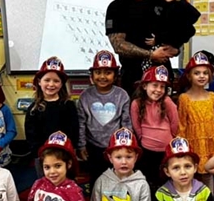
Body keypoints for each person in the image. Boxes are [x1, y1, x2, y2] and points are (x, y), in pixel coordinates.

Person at [106, 0, 178, 94]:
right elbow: (118, 45)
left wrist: (174, 48)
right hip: (132, 82)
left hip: (162, 80)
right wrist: (151, 55)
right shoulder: (116, 7)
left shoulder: (163, 4)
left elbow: (176, 38)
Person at [177, 51, 214, 191]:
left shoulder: (213, 97)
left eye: (205, 73)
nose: (201, 76)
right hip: (192, 144)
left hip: (210, 145)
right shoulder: (184, 98)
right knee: (191, 177)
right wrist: (181, 148)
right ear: (189, 76)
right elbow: (182, 125)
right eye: (197, 73)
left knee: (209, 177)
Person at [77, 50, 132, 186]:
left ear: (115, 75)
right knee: (96, 180)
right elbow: (81, 123)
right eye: (98, 72)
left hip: (116, 147)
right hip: (93, 147)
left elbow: (126, 123)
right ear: (92, 75)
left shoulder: (122, 95)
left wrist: (126, 145)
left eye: (107, 72)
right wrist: (81, 145)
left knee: (117, 180)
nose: (102, 76)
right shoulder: (85, 96)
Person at [25, 56, 79, 177]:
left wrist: (70, 150)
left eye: (56, 81)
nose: (51, 84)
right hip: (43, 158)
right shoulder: (34, 109)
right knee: (46, 187)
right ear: (39, 82)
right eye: (47, 80)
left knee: (67, 186)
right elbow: (31, 136)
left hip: (65, 155)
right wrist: (41, 155)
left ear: (62, 84)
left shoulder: (68, 105)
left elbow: (74, 131)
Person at [141, 0, 201, 73]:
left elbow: (182, 29)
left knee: (150, 67)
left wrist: (159, 39)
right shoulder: (166, 5)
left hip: (163, 45)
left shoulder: (181, 7)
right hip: (160, 46)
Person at [130, 65, 179, 190]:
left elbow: (175, 122)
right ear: (145, 85)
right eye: (155, 85)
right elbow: (136, 126)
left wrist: (171, 138)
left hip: (166, 150)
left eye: (162, 86)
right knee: (149, 180)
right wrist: (142, 139)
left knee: (166, 179)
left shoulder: (167, 101)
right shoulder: (136, 103)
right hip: (147, 150)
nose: (158, 90)